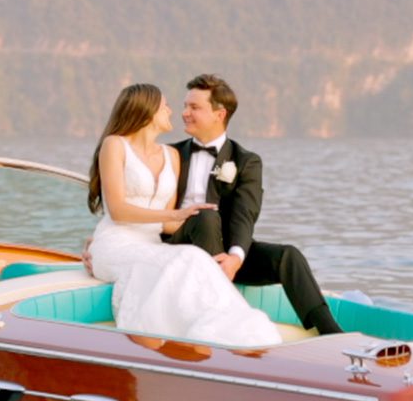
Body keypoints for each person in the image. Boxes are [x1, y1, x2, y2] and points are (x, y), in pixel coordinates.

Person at [86, 84, 283, 347]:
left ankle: (228, 328)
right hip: (115, 243)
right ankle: (188, 335)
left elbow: (167, 225)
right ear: (146, 111)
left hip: (151, 243)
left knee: (195, 257)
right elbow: (118, 211)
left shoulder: (171, 156)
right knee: (178, 262)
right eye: (165, 106)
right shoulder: (115, 145)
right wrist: (175, 213)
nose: (172, 111)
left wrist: (194, 215)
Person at [166, 74, 343, 335]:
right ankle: (222, 321)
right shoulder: (170, 154)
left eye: (194, 107)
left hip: (225, 251)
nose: (184, 113)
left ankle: (330, 332)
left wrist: (235, 259)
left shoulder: (246, 161)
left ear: (219, 114)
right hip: (179, 246)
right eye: (185, 106)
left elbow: (244, 214)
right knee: (205, 216)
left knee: (288, 256)